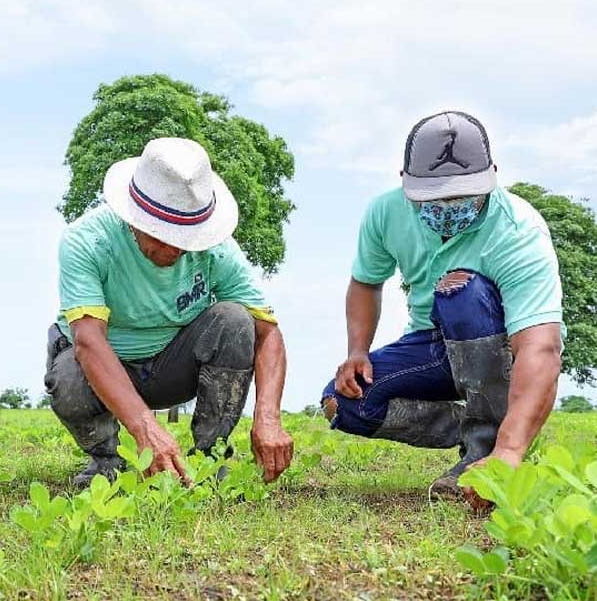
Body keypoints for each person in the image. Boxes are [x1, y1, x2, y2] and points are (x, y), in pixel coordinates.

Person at [322, 111, 564, 498]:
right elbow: (366, 282)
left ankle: (492, 451)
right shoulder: (385, 212)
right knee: (343, 401)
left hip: (498, 350)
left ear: (493, 175)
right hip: (432, 344)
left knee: (459, 290)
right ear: (406, 181)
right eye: (435, 197)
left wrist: (510, 451)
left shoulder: (519, 231)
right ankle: (479, 425)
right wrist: (357, 351)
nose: (449, 205)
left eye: (463, 195)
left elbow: (540, 346)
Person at [45, 137, 294, 486]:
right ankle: (108, 463)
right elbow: (88, 342)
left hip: (170, 367)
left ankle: (208, 461)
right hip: (101, 367)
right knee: (69, 374)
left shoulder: (218, 251)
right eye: (160, 236)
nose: (173, 250)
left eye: (185, 239)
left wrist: (268, 416)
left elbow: (268, 333)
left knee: (236, 321)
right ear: (133, 219)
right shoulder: (87, 241)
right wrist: (145, 427)